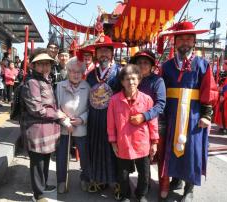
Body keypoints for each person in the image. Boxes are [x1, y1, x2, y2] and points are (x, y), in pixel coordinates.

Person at [160, 21, 218, 201]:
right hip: (172, 113)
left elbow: (210, 89)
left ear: (194, 41)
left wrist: (207, 115)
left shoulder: (202, 64)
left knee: (192, 151)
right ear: (175, 42)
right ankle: (176, 179)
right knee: (172, 147)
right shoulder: (167, 66)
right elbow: (161, 90)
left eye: (188, 38)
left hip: (193, 115)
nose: (185, 42)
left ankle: (189, 188)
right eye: (181, 39)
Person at [107, 64, 159, 202]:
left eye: (134, 79)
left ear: (139, 80)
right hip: (123, 142)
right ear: (122, 82)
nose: (131, 82)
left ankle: (141, 194)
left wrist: (154, 142)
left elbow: (153, 122)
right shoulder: (114, 100)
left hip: (142, 142)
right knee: (123, 174)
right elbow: (110, 123)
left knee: (145, 173)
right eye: (127, 79)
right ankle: (125, 194)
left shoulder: (147, 99)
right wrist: (113, 141)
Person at [21, 50, 65, 202]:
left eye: (47, 63)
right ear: (34, 66)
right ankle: (38, 194)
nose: (44, 67)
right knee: (38, 163)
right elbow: (36, 108)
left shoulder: (46, 79)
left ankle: (43, 185)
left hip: (47, 129)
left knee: (45, 159)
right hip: (37, 129)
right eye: (40, 64)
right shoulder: (32, 82)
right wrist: (57, 114)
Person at [85, 34, 125, 197]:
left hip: (113, 118)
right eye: (100, 51)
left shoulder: (120, 73)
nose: (103, 55)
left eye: (106, 51)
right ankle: (100, 179)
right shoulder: (90, 75)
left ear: (112, 53)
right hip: (94, 117)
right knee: (97, 148)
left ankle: (117, 183)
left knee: (114, 150)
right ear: (96, 54)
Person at [129, 49, 167, 198]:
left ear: (152, 65)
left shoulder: (158, 81)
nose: (142, 65)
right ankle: (146, 183)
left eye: (146, 62)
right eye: (139, 62)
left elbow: (161, 104)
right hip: (138, 126)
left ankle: (164, 184)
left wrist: (145, 116)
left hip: (156, 124)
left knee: (159, 156)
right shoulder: (132, 80)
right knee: (143, 158)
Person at [55, 57, 90, 193]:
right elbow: (55, 107)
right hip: (64, 126)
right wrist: (64, 121)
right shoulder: (59, 86)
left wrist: (82, 119)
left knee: (85, 155)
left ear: (82, 73)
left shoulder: (87, 87)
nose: (76, 75)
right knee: (62, 155)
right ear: (68, 71)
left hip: (81, 126)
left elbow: (90, 108)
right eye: (72, 71)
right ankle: (62, 181)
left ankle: (85, 178)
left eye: (79, 72)